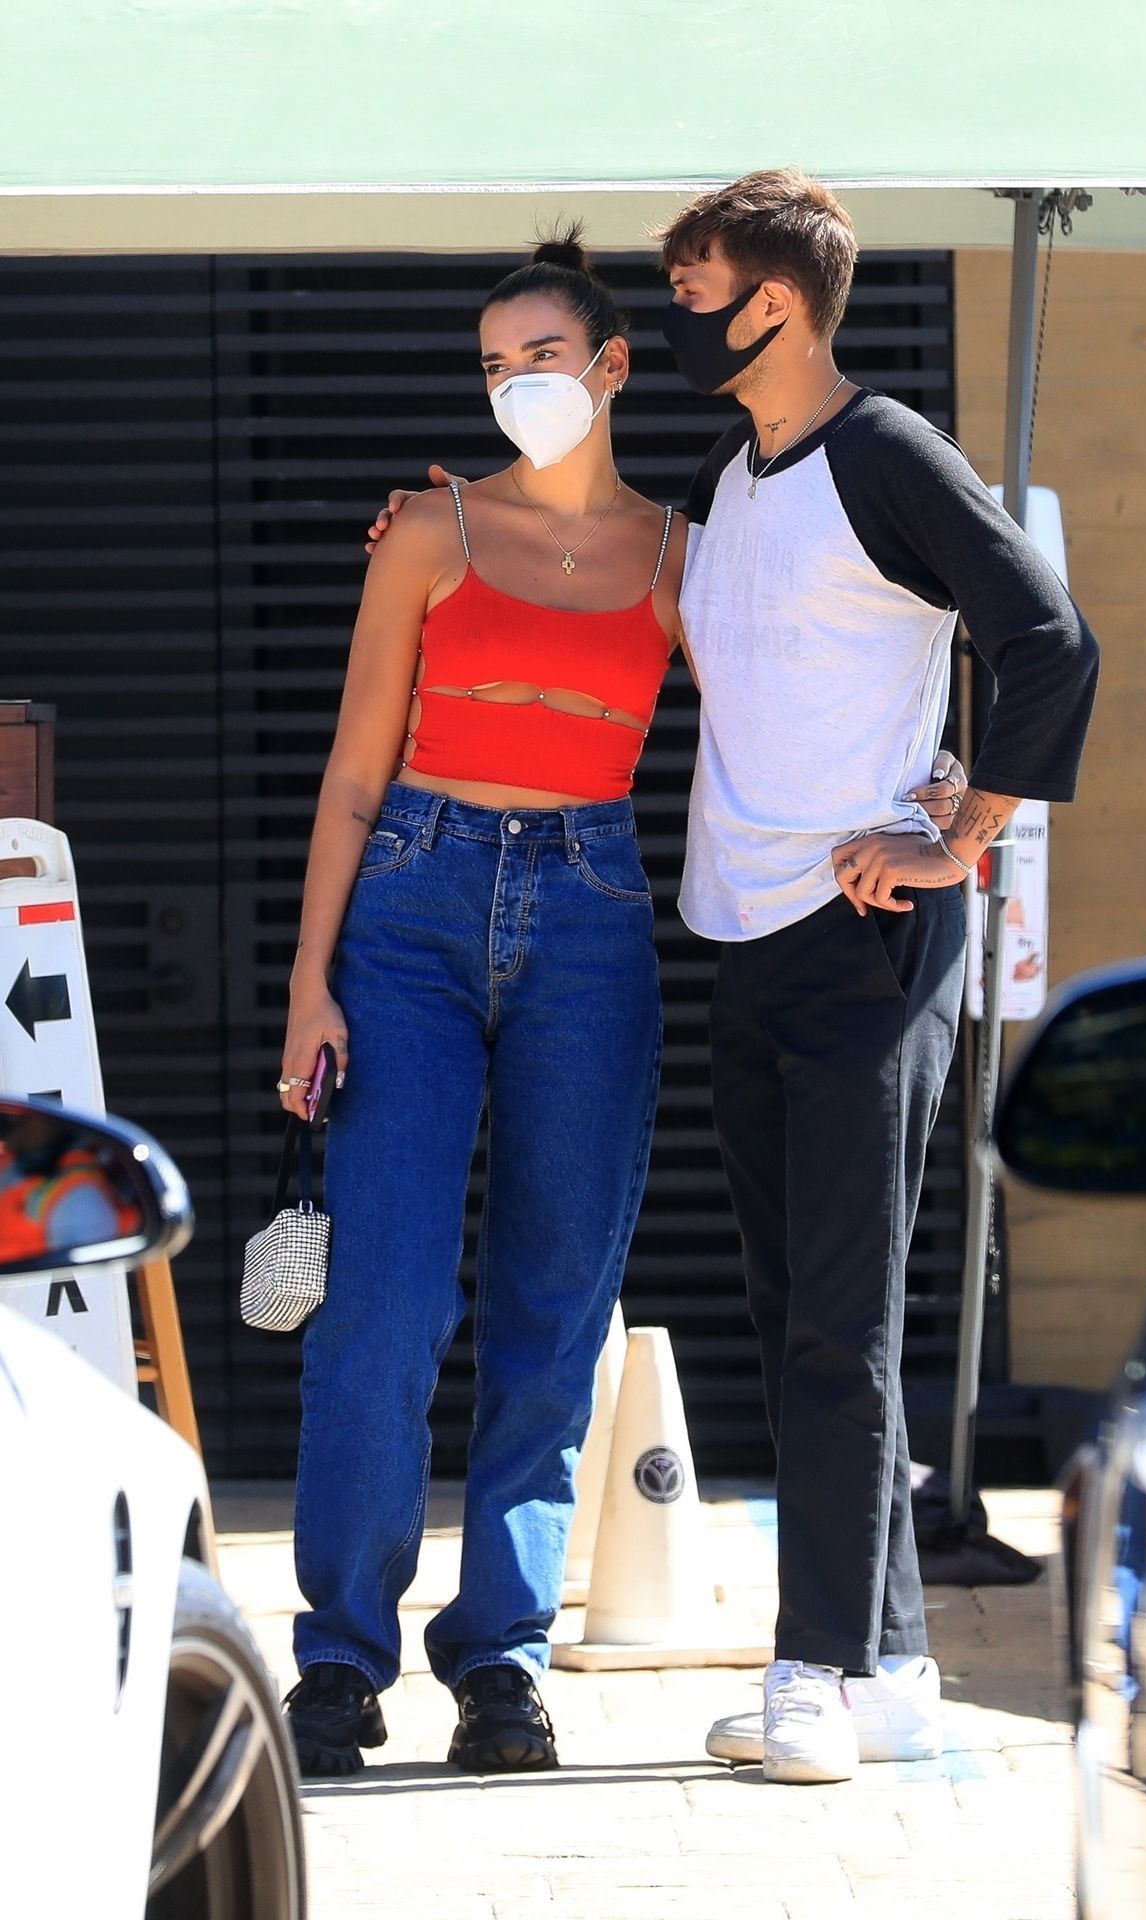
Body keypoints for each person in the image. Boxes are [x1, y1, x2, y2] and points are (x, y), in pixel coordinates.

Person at [368, 173, 1064, 1790]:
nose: (674, 317)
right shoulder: (728, 477)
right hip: (742, 933)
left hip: (866, 937)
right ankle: (890, 1660)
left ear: (778, 305)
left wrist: (961, 832)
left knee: (840, 1320)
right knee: (799, 1311)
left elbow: (1048, 638)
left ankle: (815, 1666)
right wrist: (443, 532)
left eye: (693, 292)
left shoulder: (886, 453)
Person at [276, 230, 683, 1780]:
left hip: (593, 912)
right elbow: (350, 773)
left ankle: (503, 1661)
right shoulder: (430, 532)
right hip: (411, 903)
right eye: (496, 363)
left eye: (544, 356)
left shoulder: (680, 556)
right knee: (382, 1305)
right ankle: (339, 1658)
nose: (518, 383)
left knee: (556, 1307)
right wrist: (310, 980)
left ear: (613, 366)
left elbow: (786, 707)